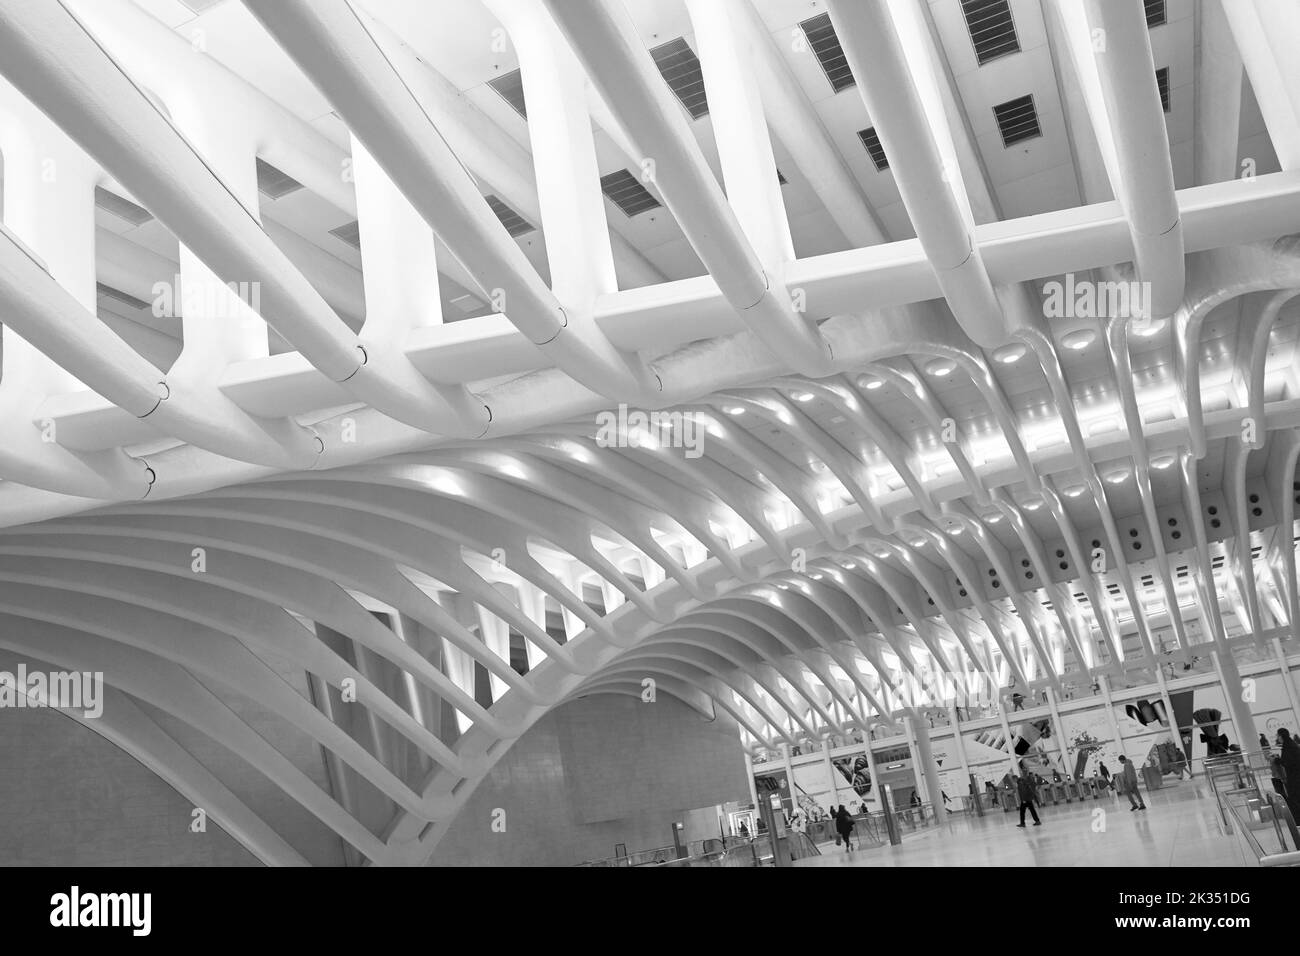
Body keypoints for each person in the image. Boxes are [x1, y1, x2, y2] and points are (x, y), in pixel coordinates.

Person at [1278, 729, 1300, 821]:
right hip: (1295, 776)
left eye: (1278, 735)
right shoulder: (1290, 745)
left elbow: (1290, 762)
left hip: (1295, 777)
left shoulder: (1288, 747)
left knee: (1295, 797)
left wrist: (1279, 761)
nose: (1277, 738)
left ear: (1281, 736)